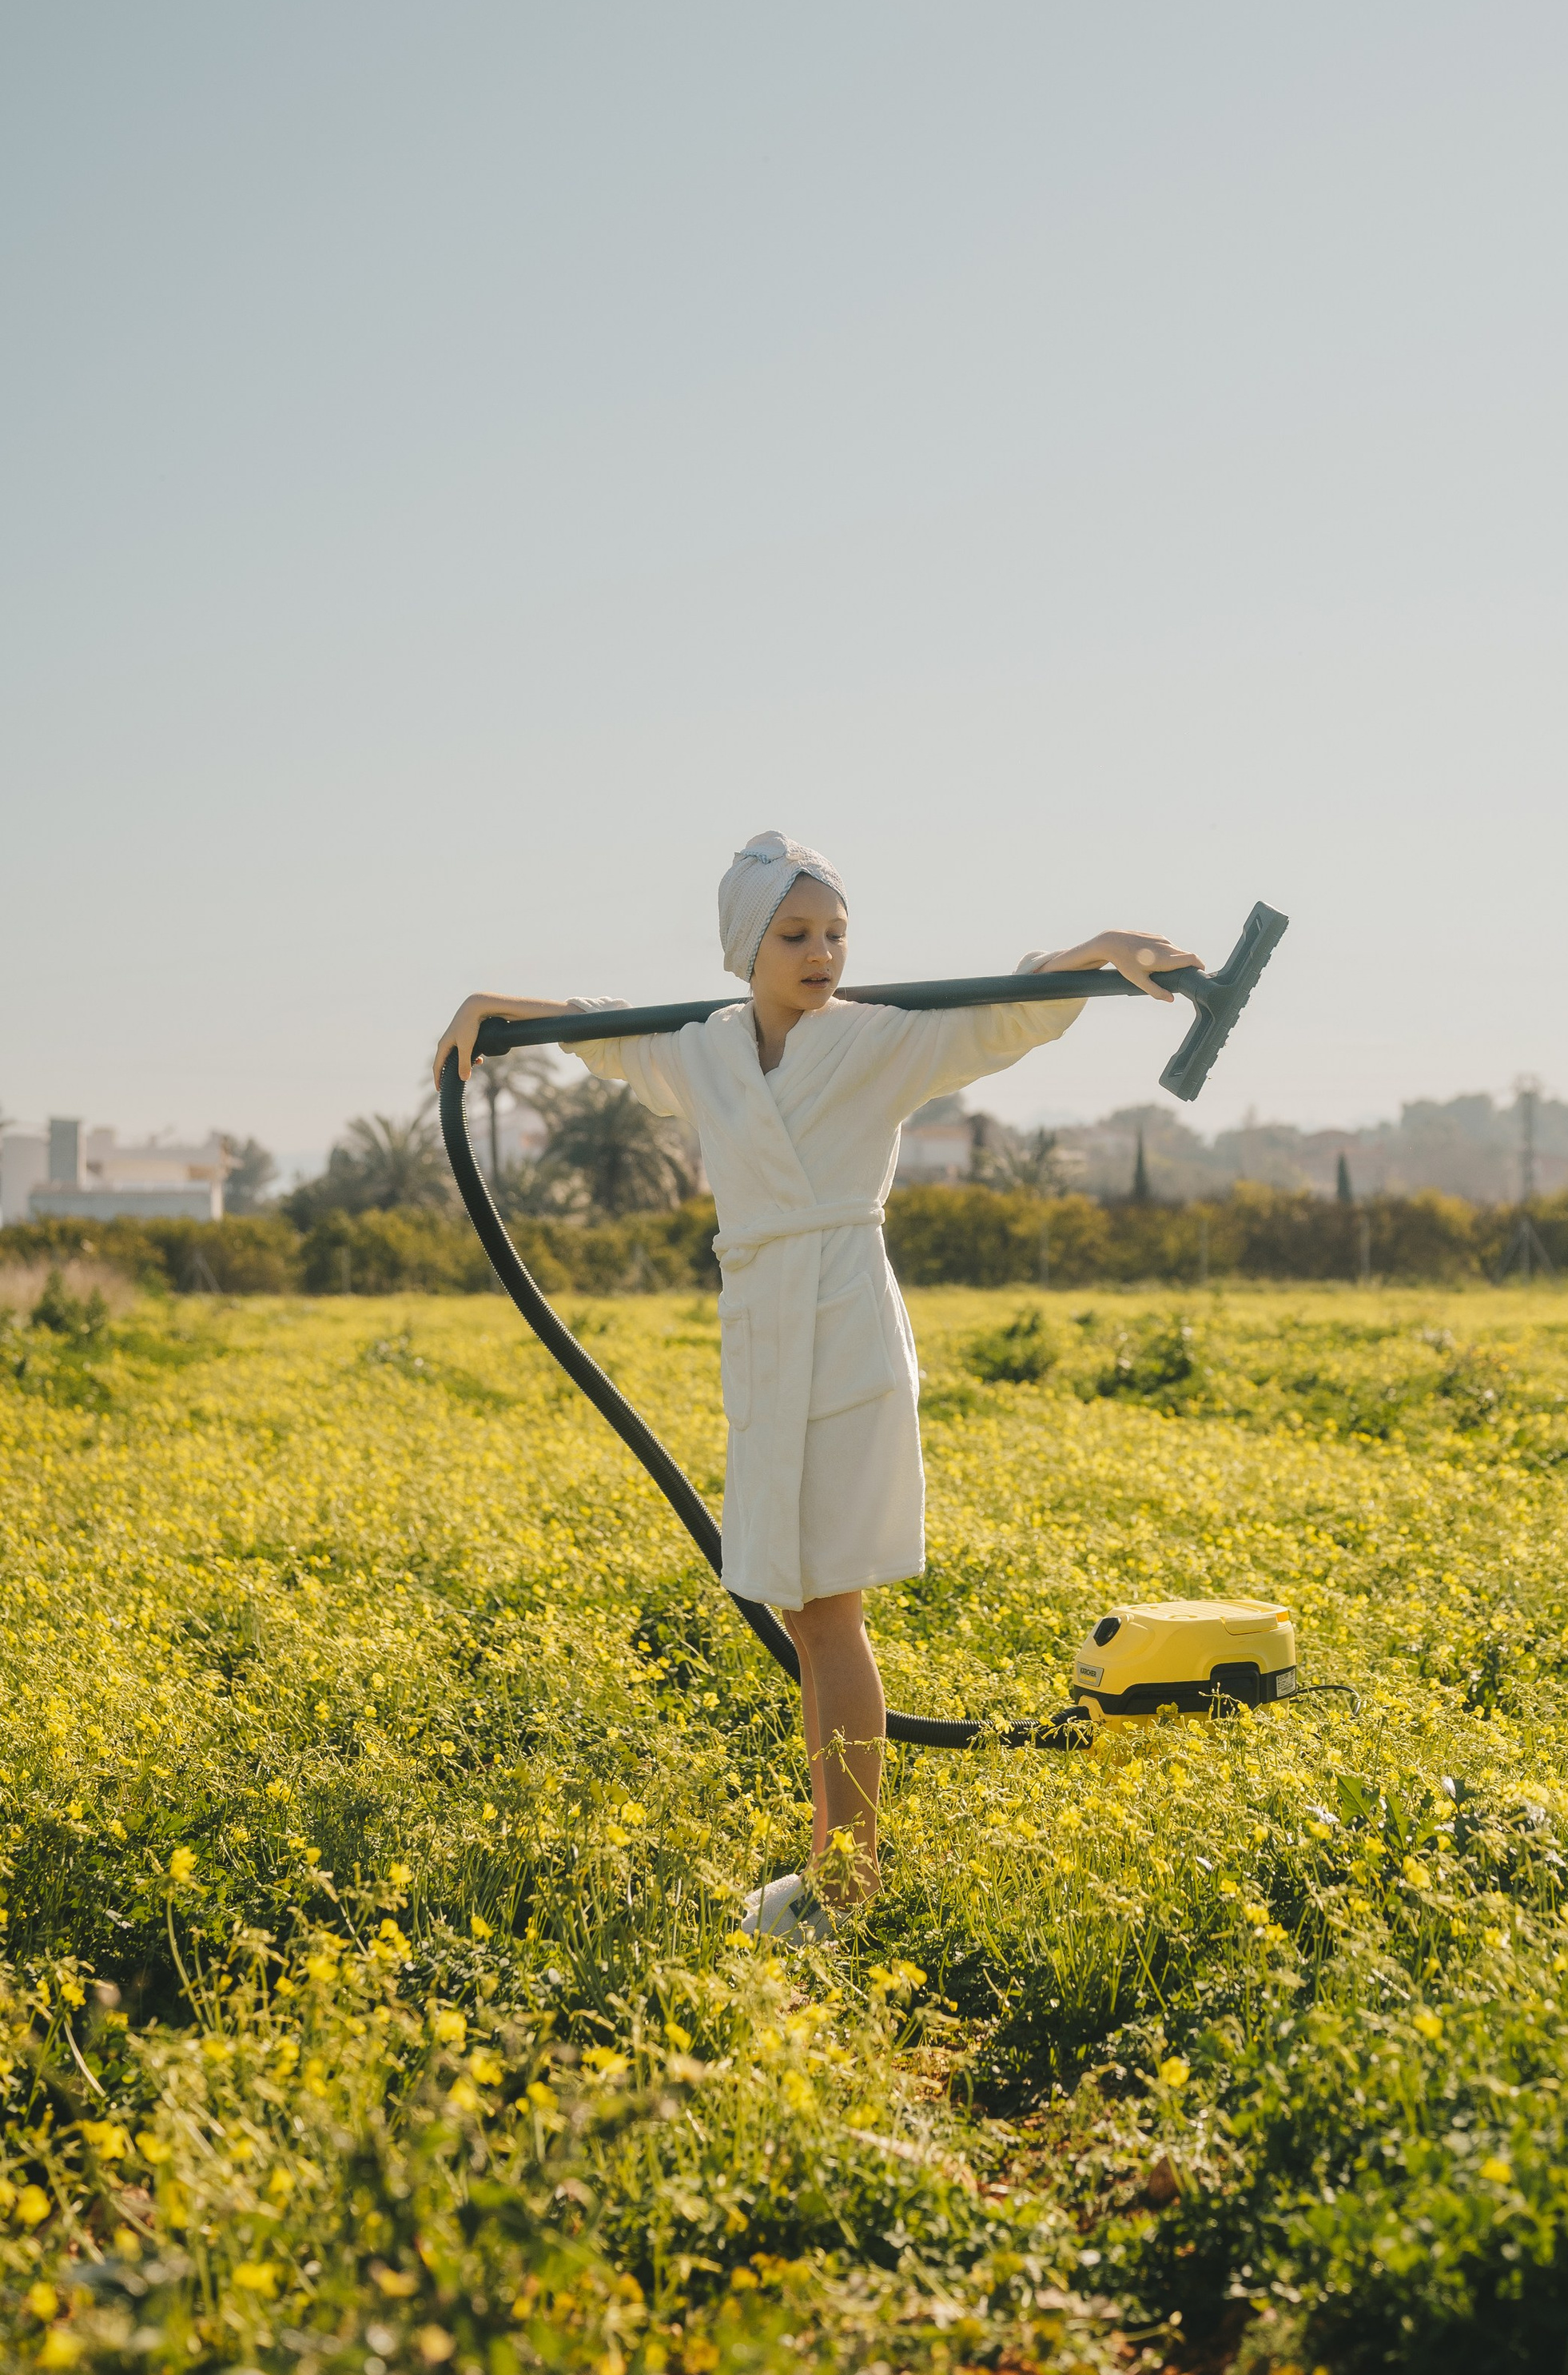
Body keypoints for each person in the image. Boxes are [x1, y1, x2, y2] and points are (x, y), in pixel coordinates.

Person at [434, 831, 1200, 1939]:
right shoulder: (698, 1052)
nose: (822, 953)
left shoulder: (878, 1043)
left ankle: (847, 1881)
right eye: (796, 935)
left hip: (843, 1327)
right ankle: (840, 1868)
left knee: (828, 1611)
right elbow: (599, 1034)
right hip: (761, 1330)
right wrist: (490, 1006)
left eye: (837, 933)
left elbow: (999, 1020)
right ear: (746, 950)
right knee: (806, 1608)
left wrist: (1092, 953)